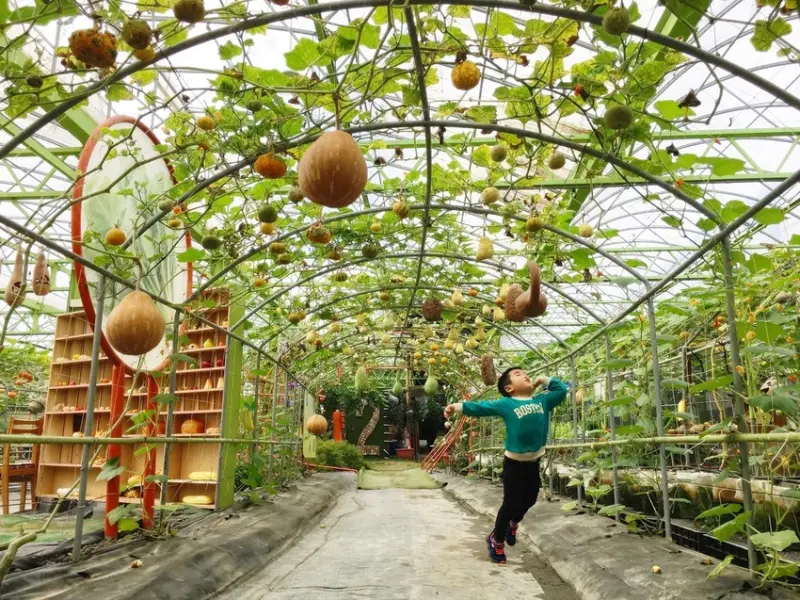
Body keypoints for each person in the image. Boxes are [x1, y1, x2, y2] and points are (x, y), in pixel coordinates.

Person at [443, 367, 568, 564]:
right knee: (510, 503)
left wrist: (543, 379)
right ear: (509, 388)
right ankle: (497, 540)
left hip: (533, 463)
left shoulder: (542, 401)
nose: (525, 374)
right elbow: (481, 407)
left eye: (525, 373)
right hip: (513, 465)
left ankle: (513, 523)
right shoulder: (506, 404)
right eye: (518, 374)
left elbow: (561, 391)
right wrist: (456, 407)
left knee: (530, 499)